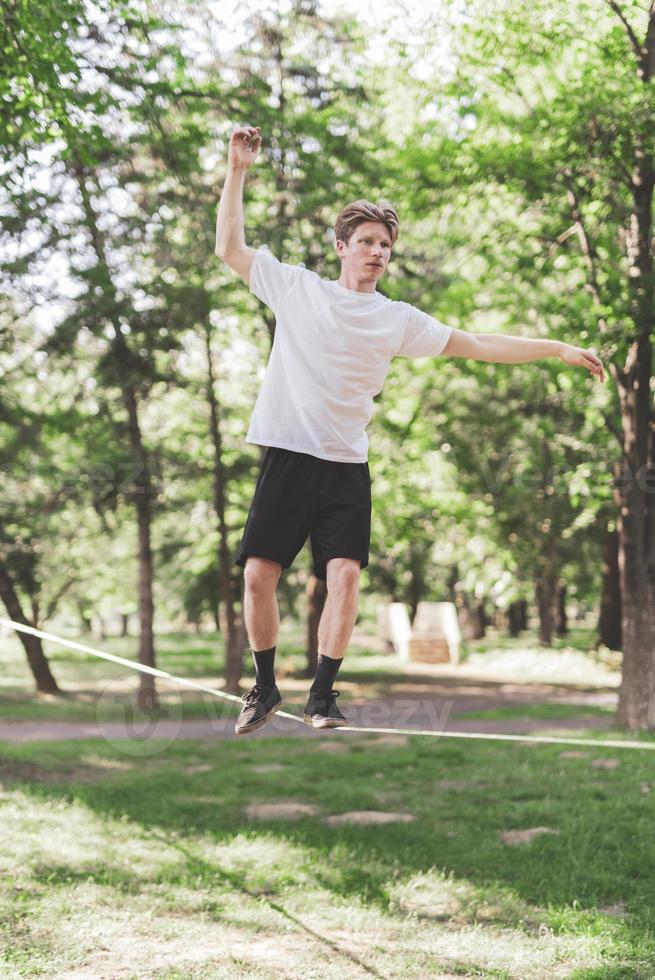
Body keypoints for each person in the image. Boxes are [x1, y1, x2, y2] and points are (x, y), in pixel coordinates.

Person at [215, 124, 606, 736]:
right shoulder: (297, 289)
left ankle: (322, 696)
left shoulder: (396, 320)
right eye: (366, 241)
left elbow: (477, 343)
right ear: (341, 245)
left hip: (347, 464)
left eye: (385, 246)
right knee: (258, 576)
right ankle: (263, 688)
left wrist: (555, 347)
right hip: (290, 455)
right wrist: (238, 172)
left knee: (343, 574)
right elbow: (231, 250)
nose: (377, 252)